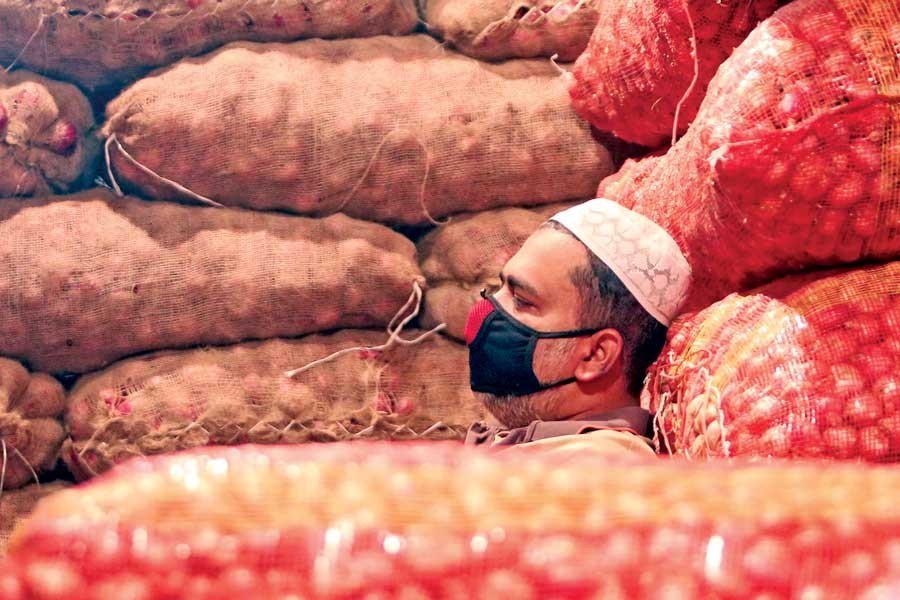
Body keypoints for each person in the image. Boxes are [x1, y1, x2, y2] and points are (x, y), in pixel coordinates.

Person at [463, 199, 691, 459]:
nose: (485, 311)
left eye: (522, 301)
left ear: (596, 355)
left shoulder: (599, 466)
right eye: (498, 287)